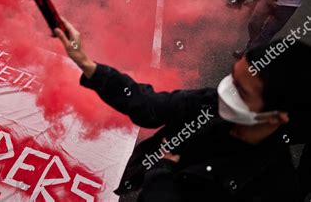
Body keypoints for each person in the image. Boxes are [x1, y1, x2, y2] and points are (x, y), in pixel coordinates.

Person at [54, 20, 311, 201]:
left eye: (242, 93)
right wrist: (86, 64)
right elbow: (148, 105)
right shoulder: (208, 103)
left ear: (278, 117)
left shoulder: (275, 188)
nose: (224, 93)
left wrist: (161, 177)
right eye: (232, 78)